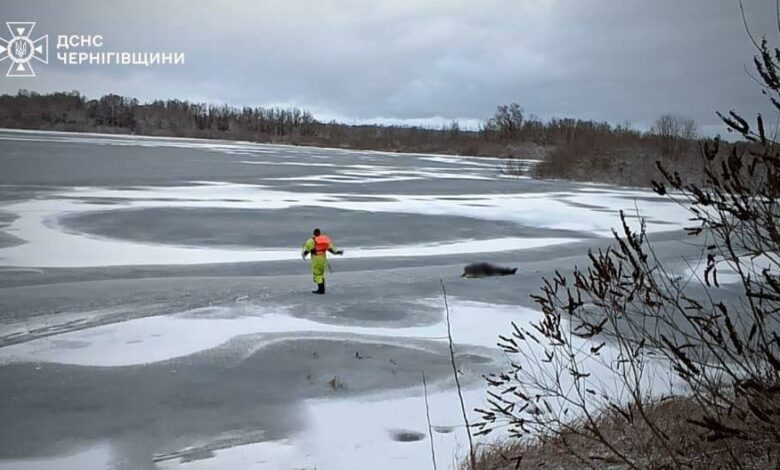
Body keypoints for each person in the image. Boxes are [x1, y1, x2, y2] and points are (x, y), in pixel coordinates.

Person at [301, 228, 343, 294]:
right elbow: (331, 250)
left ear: (314, 234)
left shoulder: (311, 241)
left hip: (316, 259)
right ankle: (322, 289)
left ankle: (320, 290)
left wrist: (304, 255)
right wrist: (338, 252)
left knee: (317, 274)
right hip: (323, 258)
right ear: (320, 233)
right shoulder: (324, 240)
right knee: (322, 274)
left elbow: (306, 251)